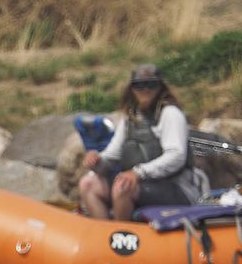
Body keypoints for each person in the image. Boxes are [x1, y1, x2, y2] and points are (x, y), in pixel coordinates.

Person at [78, 64, 208, 221]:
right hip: (142, 186)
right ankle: (104, 235)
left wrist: (138, 172)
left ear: (160, 87)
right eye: (139, 85)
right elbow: (111, 156)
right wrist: (97, 161)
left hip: (178, 189)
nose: (145, 90)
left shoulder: (171, 114)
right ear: (132, 89)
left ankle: (123, 237)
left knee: (123, 186)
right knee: (88, 184)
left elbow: (176, 156)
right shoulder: (129, 119)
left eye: (151, 84)